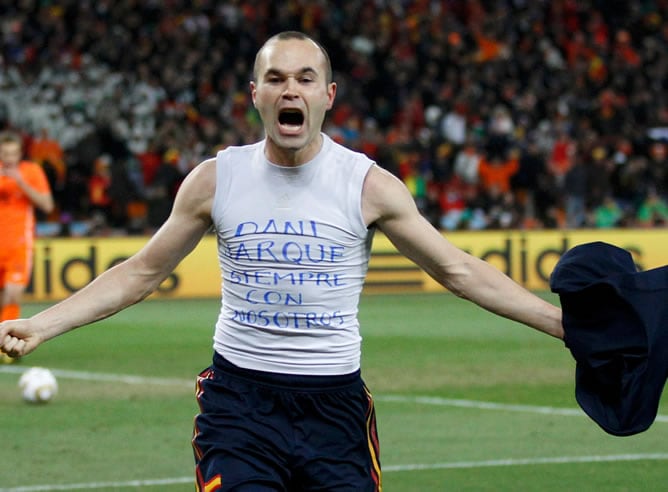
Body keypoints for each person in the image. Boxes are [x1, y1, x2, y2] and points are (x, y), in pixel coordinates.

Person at [0, 32, 563, 491]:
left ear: (328, 96)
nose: (289, 89)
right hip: (239, 404)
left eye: (304, 78)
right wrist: (41, 324)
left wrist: (558, 323)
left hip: (335, 409)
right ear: (255, 94)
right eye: (275, 78)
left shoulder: (367, 186)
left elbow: (458, 272)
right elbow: (141, 273)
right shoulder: (215, 179)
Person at [0, 131, 55, 363]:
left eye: (13, 153)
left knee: (13, 292)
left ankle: (7, 347)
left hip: (19, 244)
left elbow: (47, 205)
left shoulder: (31, 172)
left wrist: (20, 182)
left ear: (20, 153)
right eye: (5, 153)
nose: (9, 158)